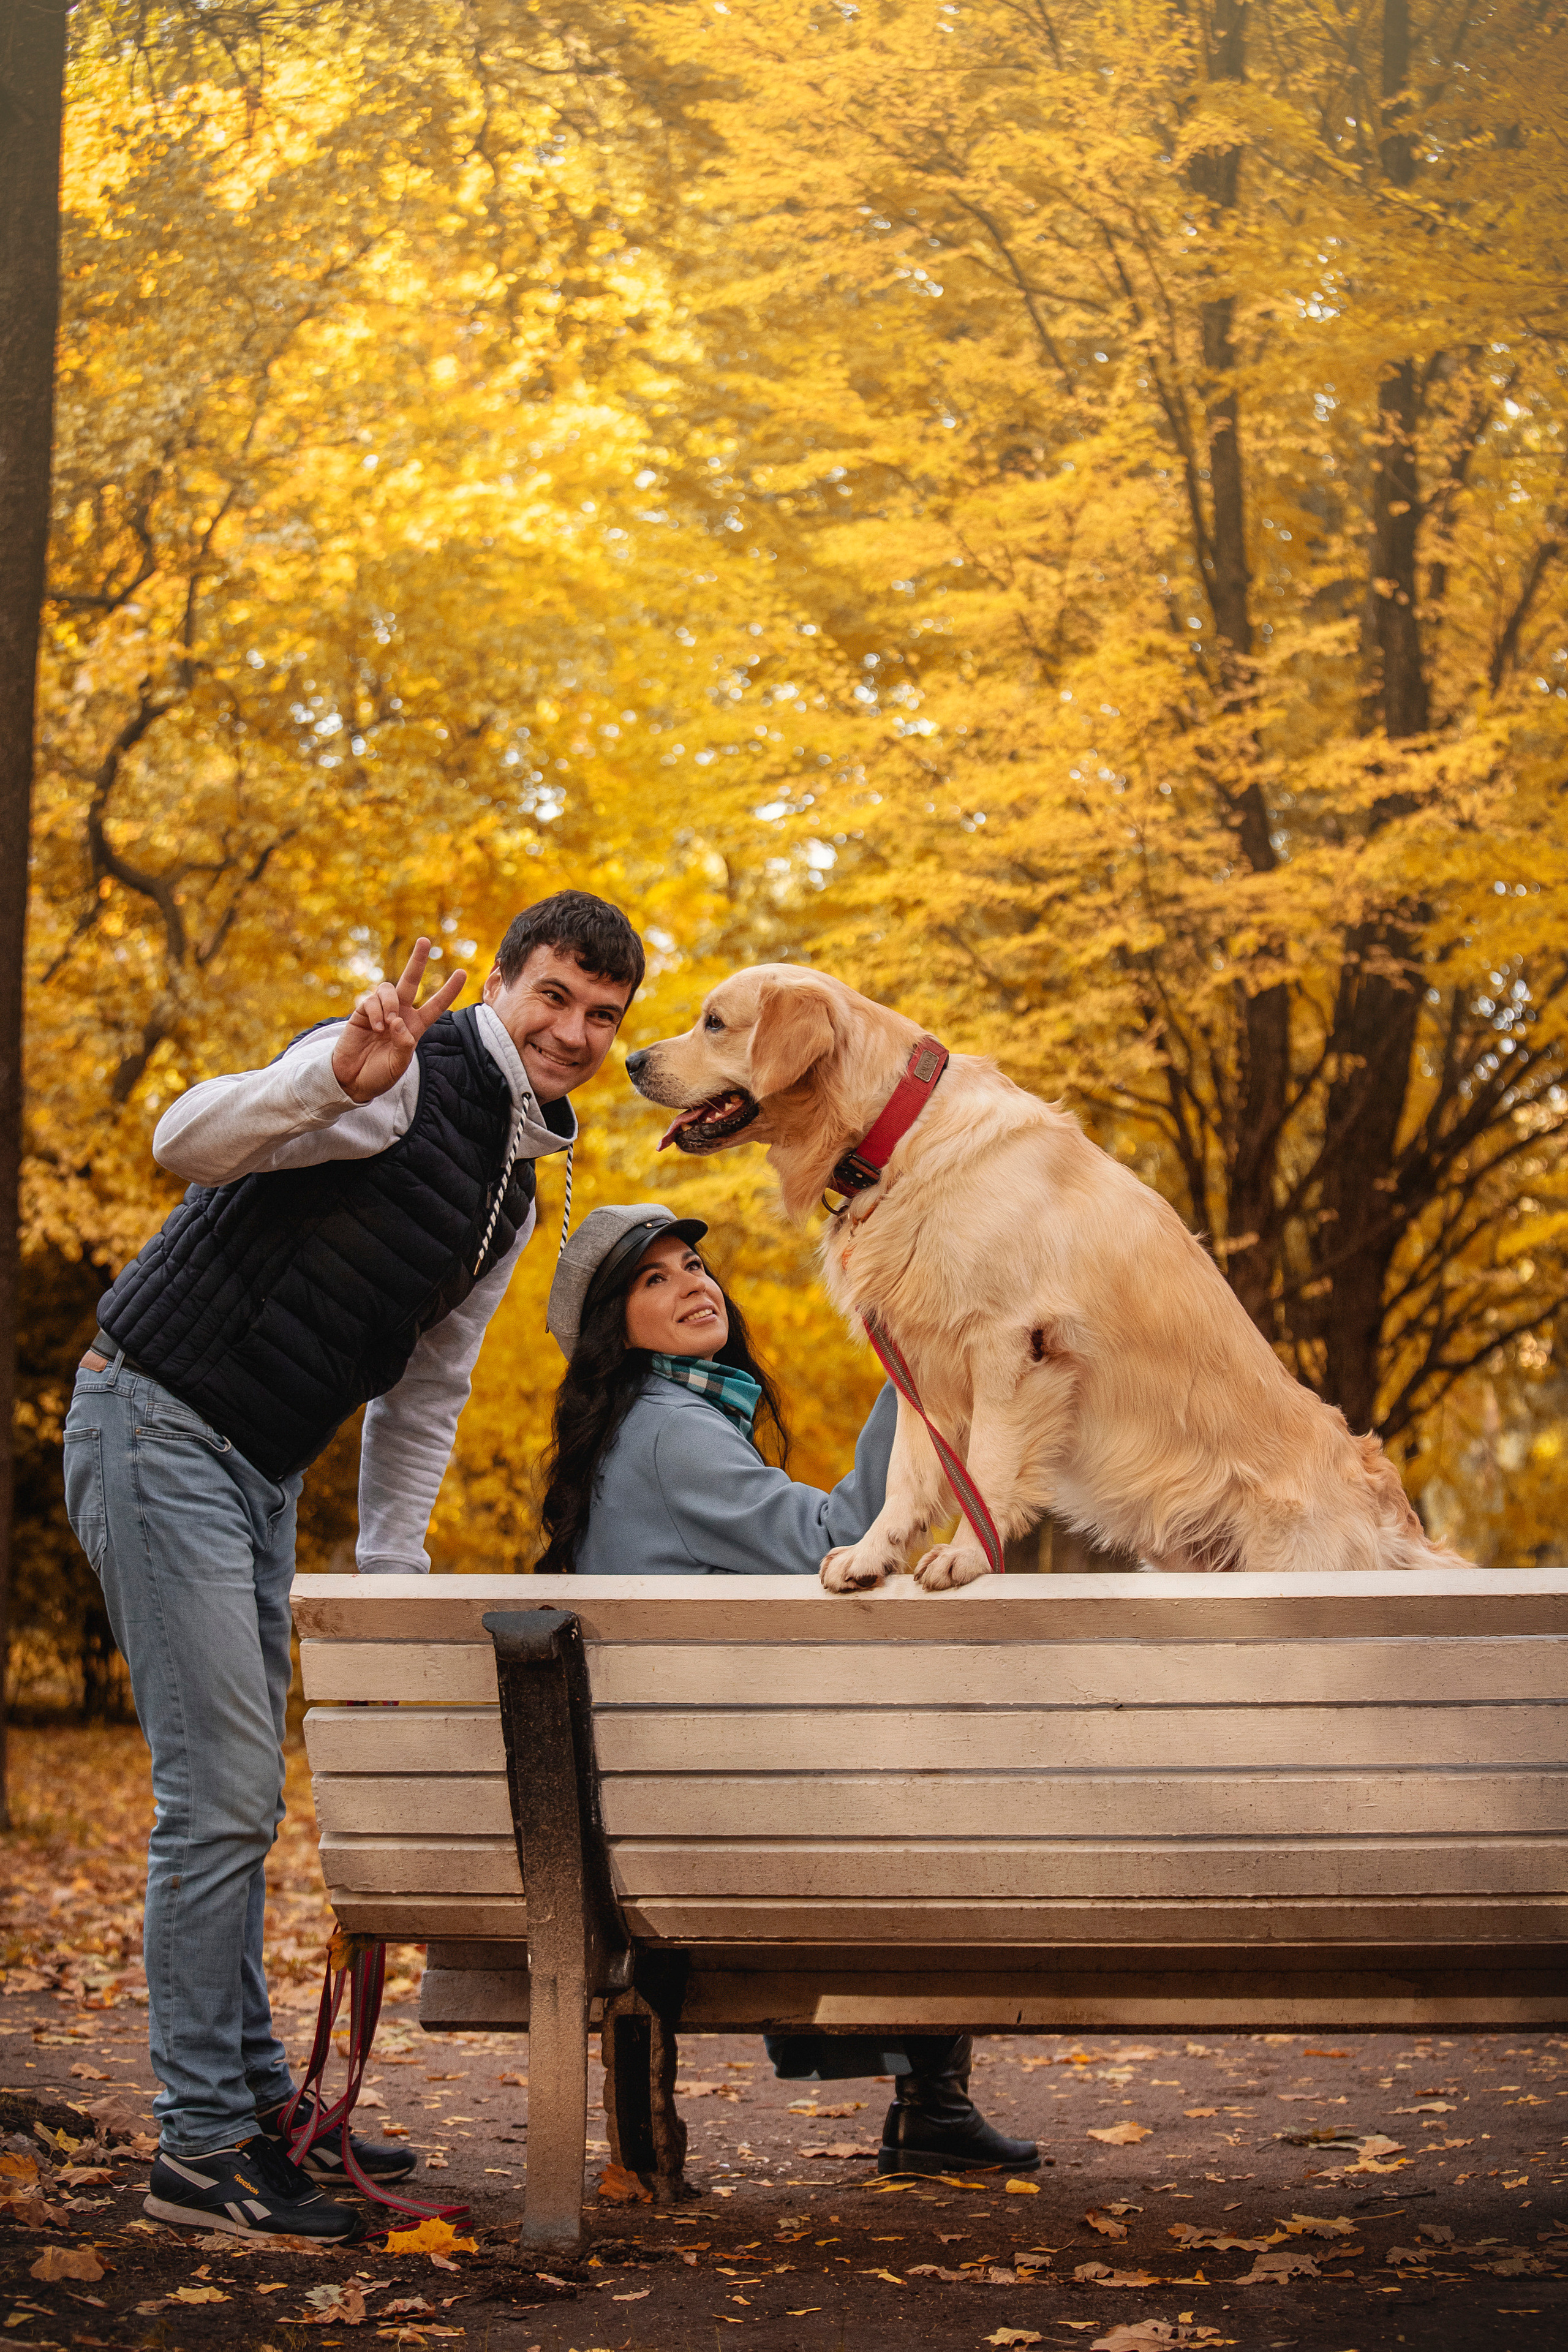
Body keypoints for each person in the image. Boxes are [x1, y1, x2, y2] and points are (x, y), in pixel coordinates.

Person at [62, 892, 643, 2243]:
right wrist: (331, 1071)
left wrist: (389, 1566)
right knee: (217, 1801)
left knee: (242, 1800)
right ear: (501, 985)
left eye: (601, 1016)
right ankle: (200, 2146)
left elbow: (427, 1388)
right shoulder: (397, 1073)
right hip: (157, 1418)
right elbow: (180, 1141)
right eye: (552, 995)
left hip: (255, 1463)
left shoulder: (515, 1174)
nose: (572, 1030)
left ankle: (257, 2105)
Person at [538, 1203, 1039, 2176]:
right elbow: (836, 1542)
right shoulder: (669, 1433)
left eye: (693, 1264)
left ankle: (924, 2102)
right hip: (704, 1820)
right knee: (945, 1797)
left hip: (638, 1813)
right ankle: (931, 2102)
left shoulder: (638, 1428)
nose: (693, 1283)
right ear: (614, 1324)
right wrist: (919, 1367)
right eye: (655, 1279)